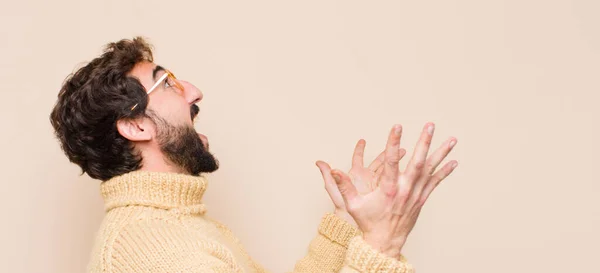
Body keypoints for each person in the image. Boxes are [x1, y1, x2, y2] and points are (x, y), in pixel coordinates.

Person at [50, 37, 458, 273]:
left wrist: (347, 225)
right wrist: (381, 247)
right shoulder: (153, 248)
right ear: (136, 125)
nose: (193, 91)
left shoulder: (176, 227)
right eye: (168, 84)